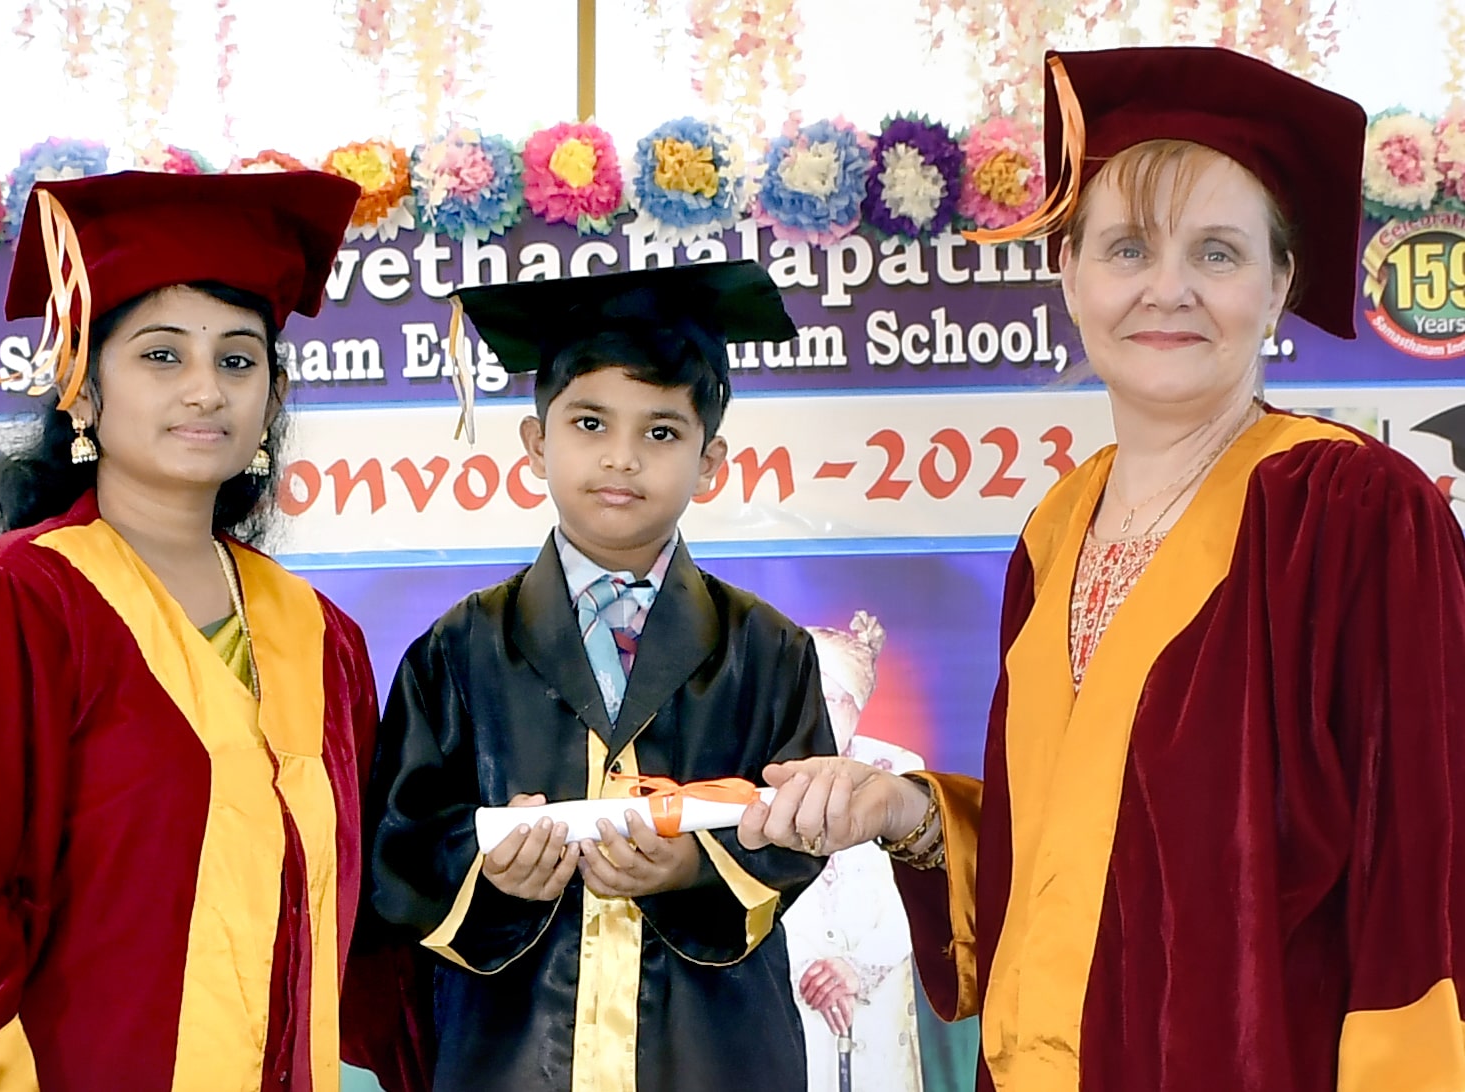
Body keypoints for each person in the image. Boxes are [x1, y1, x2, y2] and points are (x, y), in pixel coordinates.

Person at [739, 46, 1465, 1092]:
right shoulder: (1056, 528)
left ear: (1279, 285)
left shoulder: (1350, 512)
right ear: (1069, 272)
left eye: (1217, 253)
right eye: (1127, 247)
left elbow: (1425, 883)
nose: (1167, 289)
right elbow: (1067, 868)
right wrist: (906, 812)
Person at [0, 170, 385, 1091]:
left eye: (237, 361)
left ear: (272, 399)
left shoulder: (323, 637)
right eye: (162, 355)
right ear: (81, 390)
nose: (205, 391)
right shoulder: (15, 604)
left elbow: (362, 930)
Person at [361, 260, 837, 1092]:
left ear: (711, 461)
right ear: (536, 444)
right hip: (515, 1051)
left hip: (713, 1050)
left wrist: (692, 868)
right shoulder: (458, 651)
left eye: (661, 433)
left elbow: (801, 827)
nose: (622, 459)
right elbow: (400, 841)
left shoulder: (768, 651)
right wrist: (489, 870)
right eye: (589, 423)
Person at [784, 612, 923, 1092]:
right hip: (791, 983)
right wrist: (808, 969)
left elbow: (920, 890)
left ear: (857, 704)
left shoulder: (899, 770)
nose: (817, 712)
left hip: (876, 981)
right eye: (806, 695)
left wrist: (857, 968)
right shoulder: (762, 776)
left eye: (833, 699)